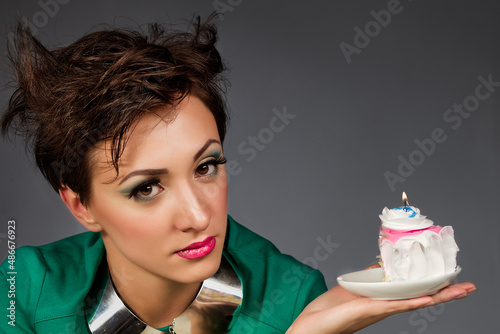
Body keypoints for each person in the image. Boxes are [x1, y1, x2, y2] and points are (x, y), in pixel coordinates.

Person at [0, 16, 475, 334]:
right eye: (146, 188)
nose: (196, 215)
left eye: (206, 167)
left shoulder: (294, 300)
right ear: (80, 205)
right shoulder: (20, 291)